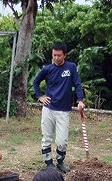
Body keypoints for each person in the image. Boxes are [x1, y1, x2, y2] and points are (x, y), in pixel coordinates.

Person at [32, 42, 86, 173]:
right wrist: (40, 96)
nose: (56, 58)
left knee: (62, 141)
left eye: (59, 55)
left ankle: (60, 162)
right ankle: (49, 163)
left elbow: (78, 84)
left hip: (63, 110)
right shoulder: (47, 69)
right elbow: (35, 82)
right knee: (47, 138)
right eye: (54, 55)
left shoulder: (71, 68)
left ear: (64, 55)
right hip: (48, 109)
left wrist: (80, 100)